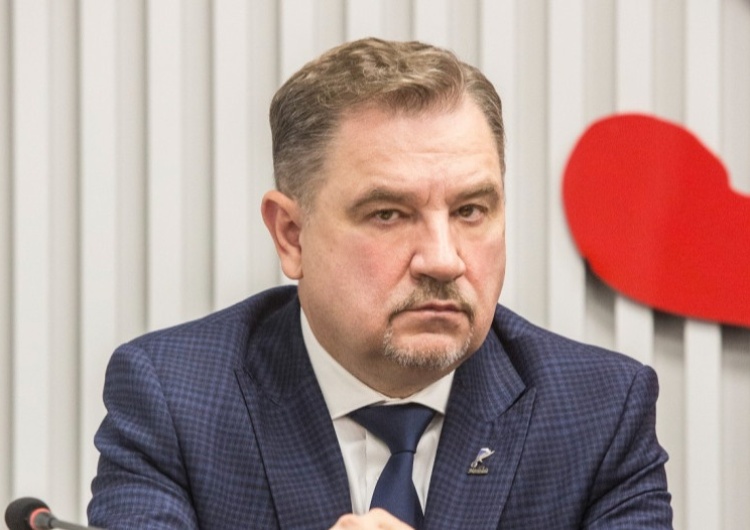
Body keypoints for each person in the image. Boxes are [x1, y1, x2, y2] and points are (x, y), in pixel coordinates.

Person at [87, 38, 672, 529]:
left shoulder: (598, 412)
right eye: (388, 214)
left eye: (470, 210)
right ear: (291, 235)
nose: (442, 260)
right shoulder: (176, 399)